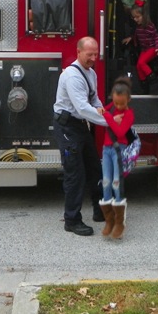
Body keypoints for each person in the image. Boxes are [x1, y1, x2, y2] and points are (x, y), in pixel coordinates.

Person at [52, 37, 106, 236]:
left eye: (95, 54)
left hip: (81, 126)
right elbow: (82, 108)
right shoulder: (72, 77)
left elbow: (94, 99)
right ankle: (72, 220)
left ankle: (100, 210)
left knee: (95, 169)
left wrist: (101, 109)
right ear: (78, 52)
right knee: (75, 175)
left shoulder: (91, 73)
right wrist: (111, 123)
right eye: (89, 54)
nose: (93, 58)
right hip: (67, 127)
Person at [98, 78, 135, 240]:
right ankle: (109, 220)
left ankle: (120, 222)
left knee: (116, 182)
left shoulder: (129, 114)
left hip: (119, 150)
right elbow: (101, 111)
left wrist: (108, 118)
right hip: (106, 149)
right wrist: (107, 114)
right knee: (106, 181)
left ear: (129, 100)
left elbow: (120, 133)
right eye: (115, 103)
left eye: (122, 104)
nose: (118, 106)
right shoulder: (112, 107)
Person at [122, 1, 158, 91]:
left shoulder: (150, 26)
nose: (135, 19)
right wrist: (130, 38)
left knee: (141, 63)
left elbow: (156, 36)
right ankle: (144, 84)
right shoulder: (137, 27)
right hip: (144, 49)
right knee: (138, 66)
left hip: (152, 48)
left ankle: (153, 79)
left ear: (144, 15)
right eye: (134, 17)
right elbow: (135, 35)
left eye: (138, 17)